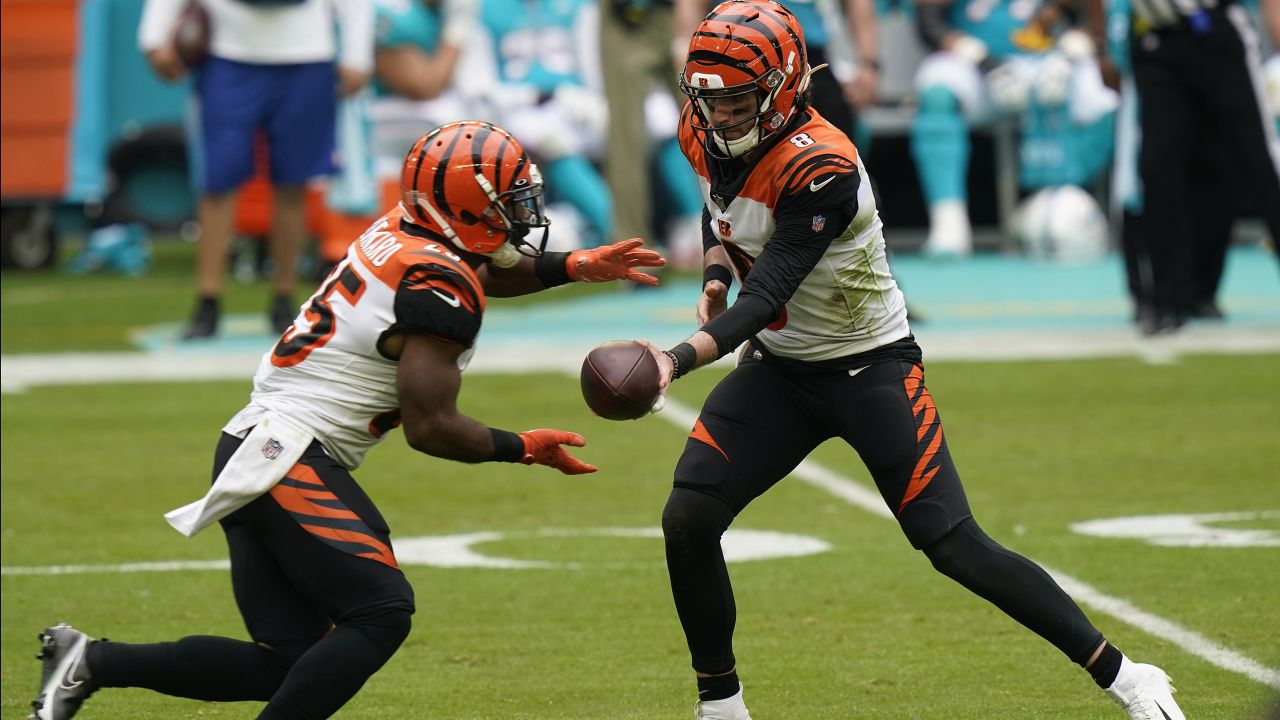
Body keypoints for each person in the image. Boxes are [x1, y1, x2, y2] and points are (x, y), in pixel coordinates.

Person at [634, 3, 1186, 718]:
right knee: (688, 518)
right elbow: (724, 221)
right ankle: (722, 706)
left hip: (870, 367)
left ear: (785, 85)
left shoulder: (821, 163)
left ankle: (1130, 677)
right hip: (781, 368)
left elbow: (767, 291)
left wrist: (672, 362)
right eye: (708, 99)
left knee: (952, 543)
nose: (719, 115)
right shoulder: (704, 131)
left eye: (737, 99)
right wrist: (713, 276)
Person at [27, 121, 666, 720]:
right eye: (508, 199)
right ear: (468, 208)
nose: (523, 212)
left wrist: (573, 266)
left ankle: (90, 661)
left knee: (287, 664)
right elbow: (431, 427)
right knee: (382, 611)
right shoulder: (440, 284)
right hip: (289, 456)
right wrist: (523, 446)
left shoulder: (405, 227)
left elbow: (471, 269)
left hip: (258, 442)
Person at [138, 0, 374, 339]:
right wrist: (154, 35)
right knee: (217, 184)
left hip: (306, 54)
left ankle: (285, 300)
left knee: (293, 185)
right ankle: (208, 301)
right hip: (229, 52)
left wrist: (357, 54)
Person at [909, 0, 1118, 257]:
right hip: (974, 62)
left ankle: (1068, 201)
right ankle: (948, 221)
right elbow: (928, 22)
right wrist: (982, 59)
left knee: (1102, 98)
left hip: (1048, 59)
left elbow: (1092, 17)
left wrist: (1071, 51)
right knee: (936, 90)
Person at [1122, 0, 1280, 333]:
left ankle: (1200, 291)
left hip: (1213, 31)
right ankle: (1170, 300)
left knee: (1256, 162)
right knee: (1158, 168)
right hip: (1155, 38)